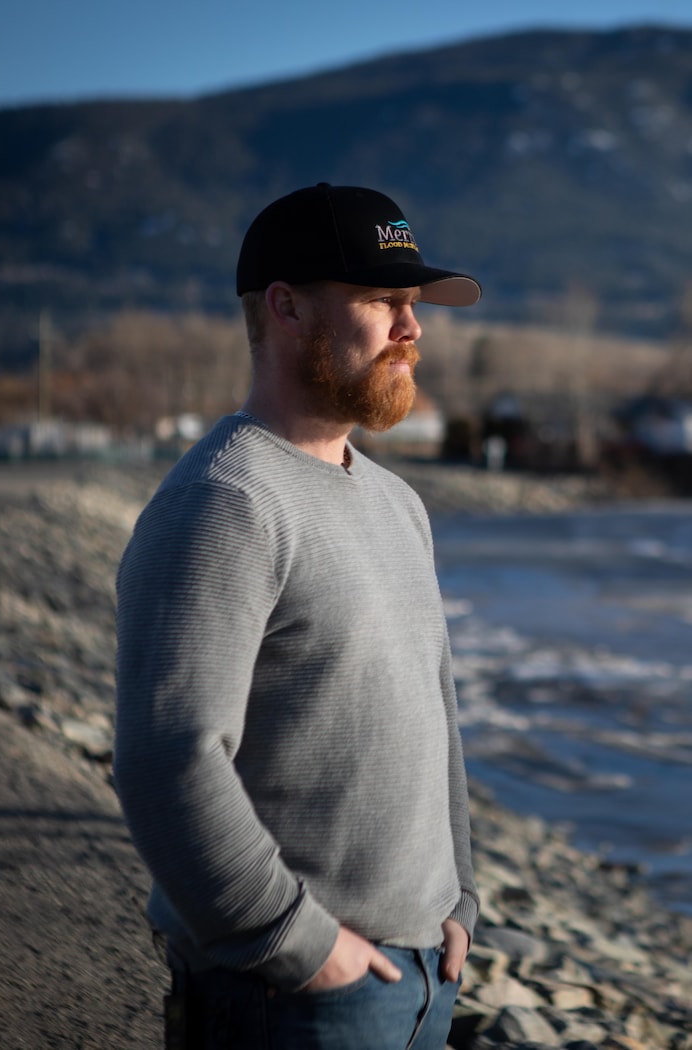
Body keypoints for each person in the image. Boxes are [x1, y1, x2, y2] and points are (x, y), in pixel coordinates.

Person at [113, 182, 482, 1050]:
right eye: (383, 301)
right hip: (295, 1000)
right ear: (286, 307)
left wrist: (459, 900)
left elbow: (437, 717)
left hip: (425, 979)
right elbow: (167, 758)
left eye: (414, 303)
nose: (413, 327)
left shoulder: (397, 503)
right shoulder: (223, 502)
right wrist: (299, 945)